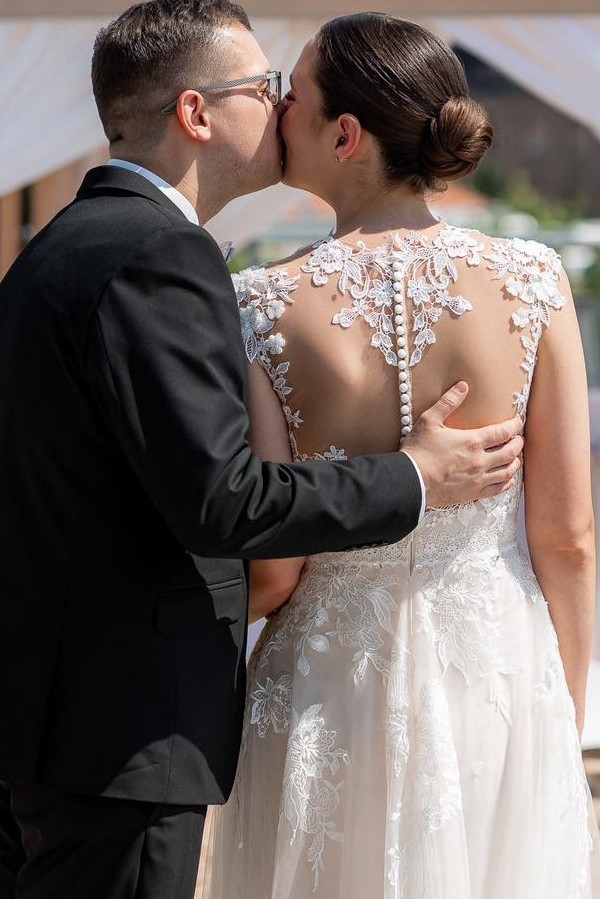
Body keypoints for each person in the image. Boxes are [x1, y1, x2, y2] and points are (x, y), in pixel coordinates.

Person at [0, 3, 525, 899]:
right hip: (121, 733)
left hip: (54, 715)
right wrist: (414, 474)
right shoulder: (159, 253)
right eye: (265, 87)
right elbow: (224, 500)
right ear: (198, 114)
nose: (282, 107)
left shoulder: (55, 248)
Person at [202, 13, 600, 899]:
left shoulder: (261, 303)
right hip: (496, 673)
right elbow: (568, 534)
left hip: (327, 687)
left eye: (290, 97)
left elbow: (272, 570)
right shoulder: (535, 282)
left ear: (345, 136)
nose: (274, 112)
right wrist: (557, 713)